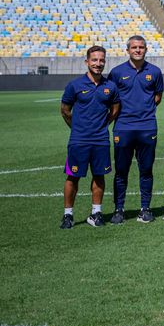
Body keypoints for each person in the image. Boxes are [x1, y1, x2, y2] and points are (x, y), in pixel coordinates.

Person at [60, 46, 119, 228]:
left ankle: (96, 213)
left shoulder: (110, 86)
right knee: (73, 177)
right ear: (87, 62)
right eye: (94, 60)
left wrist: (102, 125)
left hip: (101, 140)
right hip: (79, 140)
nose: (98, 64)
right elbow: (65, 110)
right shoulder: (75, 85)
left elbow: (115, 109)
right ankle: (68, 215)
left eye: (101, 60)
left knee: (99, 176)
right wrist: (77, 127)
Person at [107, 35, 162, 224]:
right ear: (128, 50)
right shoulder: (116, 72)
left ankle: (145, 208)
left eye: (141, 47)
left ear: (146, 50)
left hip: (147, 127)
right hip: (123, 127)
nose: (137, 50)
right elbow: (111, 98)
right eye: (134, 47)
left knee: (146, 170)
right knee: (121, 170)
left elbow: (157, 97)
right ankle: (119, 209)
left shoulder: (154, 72)